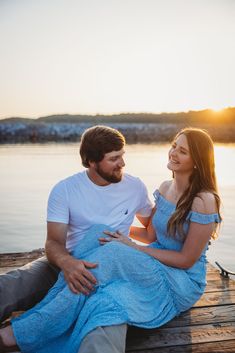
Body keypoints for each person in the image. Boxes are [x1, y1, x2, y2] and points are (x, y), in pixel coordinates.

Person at [0, 127, 222, 353]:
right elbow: (150, 235)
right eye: (174, 146)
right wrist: (116, 234)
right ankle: (41, 319)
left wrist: (131, 247)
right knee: (100, 234)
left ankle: (22, 332)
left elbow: (186, 260)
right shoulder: (165, 188)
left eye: (182, 151)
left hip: (180, 279)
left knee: (112, 253)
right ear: (92, 162)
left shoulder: (203, 200)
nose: (173, 153)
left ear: (197, 161)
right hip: (126, 261)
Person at [0, 125, 153, 353]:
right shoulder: (66, 190)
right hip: (65, 261)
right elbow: (53, 243)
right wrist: (68, 264)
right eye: (114, 159)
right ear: (91, 161)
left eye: (122, 156)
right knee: (13, 283)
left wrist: (126, 238)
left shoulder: (135, 187)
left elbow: (152, 230)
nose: (122, 163)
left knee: (104, 321)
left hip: (112, 273)